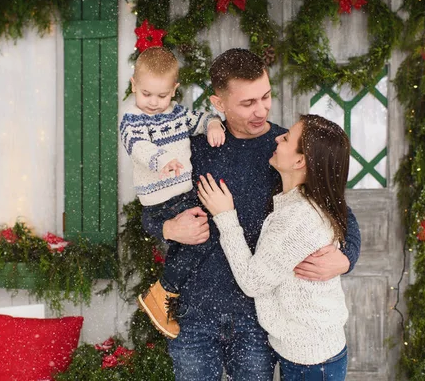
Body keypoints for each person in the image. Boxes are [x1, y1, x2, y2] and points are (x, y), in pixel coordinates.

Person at [142, 48, 361, 381]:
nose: (261, 111)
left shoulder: (286, 151)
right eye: (247, 103)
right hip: (196, 315)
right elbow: (148, 213)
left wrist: (345, 258)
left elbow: (339, 212)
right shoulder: (192, 150)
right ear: (219, 104)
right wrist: (170, 228)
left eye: (266, 97)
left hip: (256, 321)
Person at [197, 114, 351, 380]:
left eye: (287, 138)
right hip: (308, 353)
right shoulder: (299, 202)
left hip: (311, 361)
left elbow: (252, 282)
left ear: (300, 161)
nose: (277, 138)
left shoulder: (299, 217)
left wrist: (225, 216)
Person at [119, 46, 226, 339]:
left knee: (197, 239)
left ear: (174, 90)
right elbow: (138, 147)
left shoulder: (177, 114)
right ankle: (163, 291)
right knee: (204, 235)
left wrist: (214, 123)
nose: (153, 103)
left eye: (162, 96)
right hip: (160, 200)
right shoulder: (132, 119)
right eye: (146, 94)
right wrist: (162, 160)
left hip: (183, 195)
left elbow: (199, 119)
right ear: (133, 85)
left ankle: (165, 294)